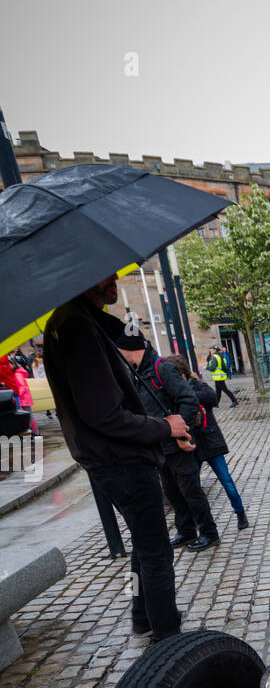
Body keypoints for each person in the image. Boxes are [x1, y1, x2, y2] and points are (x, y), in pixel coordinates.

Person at [42, 274, 189, 642]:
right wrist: (163, 427)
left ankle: (143, 616)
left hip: (112, 460)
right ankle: (168, 639)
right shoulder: (76, 326)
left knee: (142, 543)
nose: (114, 281)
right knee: (156, 553)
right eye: (104, 276)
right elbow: (105, 415)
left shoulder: (75, 320)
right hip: (121, 461)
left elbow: (124, 346)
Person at [116, 335, 220, 553]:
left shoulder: (162, 368)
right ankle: (186, 531)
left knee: (191, 491)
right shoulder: (136, 371)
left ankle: (209, 532)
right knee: (172, 492)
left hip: (177, 445)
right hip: (159, 446)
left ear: (127, 348)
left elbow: (188, 400)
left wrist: (182, 436)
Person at [161, 354, 249, 531]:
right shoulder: (170, 393)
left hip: (210, 442)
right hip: (191, 446)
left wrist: (185, 393)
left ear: (182, 373)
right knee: (191, 487)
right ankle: (197, 522)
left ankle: (240, 513)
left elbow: (211, 398)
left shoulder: (196, 385)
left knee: (226, 481)